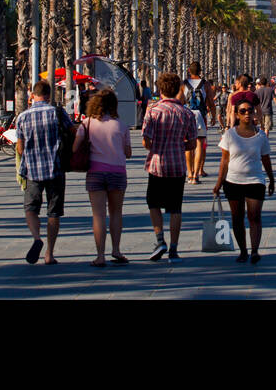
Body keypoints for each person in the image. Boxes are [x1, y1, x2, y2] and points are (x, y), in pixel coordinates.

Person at [14, 81, 74, 265]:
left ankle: (36, 237)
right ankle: (49, 253)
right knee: (53, 212)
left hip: (32, 170)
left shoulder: (22, 117)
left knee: (30, 208)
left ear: (33, 95)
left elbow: (19, 147)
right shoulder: (57, 112)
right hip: (55, 168)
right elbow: (72, 131)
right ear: (49, 95)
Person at [212, 99, 274, 264]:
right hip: (233, 181)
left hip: (255, 181)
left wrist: (271, 179)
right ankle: (243, 251)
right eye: (243, 111)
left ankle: (254, 251)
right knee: (237, 217)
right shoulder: (230, 135)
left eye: (250, 110)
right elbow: (224, 161)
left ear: (254, 113)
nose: (247, 113)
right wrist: (219, 183)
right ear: (237, 115)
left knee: (255, 216)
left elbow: (266, 159)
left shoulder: (260, 136)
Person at [142, 72, 196, 261]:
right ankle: (173, 248)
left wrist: (156, 145)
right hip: (178, 166)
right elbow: (192, 144)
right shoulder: (187, 113)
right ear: (178, 90)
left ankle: (160, 239)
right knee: (175, 208)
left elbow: (145, 141)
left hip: (157, 164)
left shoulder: (153, 111)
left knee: (153, 203)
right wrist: (178, 145)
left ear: (161, 89)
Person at [77, 88, 132, 267]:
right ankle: (116, 250)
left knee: (98, 214)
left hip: (95, 171)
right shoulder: (121, 125)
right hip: (117, 172)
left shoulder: (87, 124)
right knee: (116, 213)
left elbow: (75, 148)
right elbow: (128, 153)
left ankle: (100, 255)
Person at [179, 62, 210, 184]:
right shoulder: (205, 84)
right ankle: (196, 175)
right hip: (201, 116)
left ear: (188, 71)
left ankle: (190, 173)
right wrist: (212, 116)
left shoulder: (184, 84)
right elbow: (211, 103)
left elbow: (179, 101)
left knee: (188, 145)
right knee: (199, 144)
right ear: (200, 71)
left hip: (187, 115)